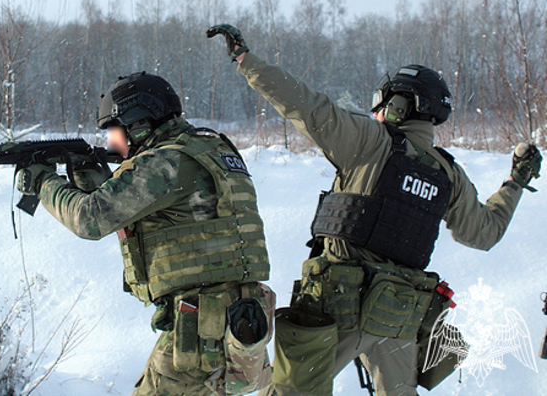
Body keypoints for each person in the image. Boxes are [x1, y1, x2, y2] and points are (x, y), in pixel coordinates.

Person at [206, 24, 542, 396]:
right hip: (398, 314)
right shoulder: (448, 174)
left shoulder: (371, 142)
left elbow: (306, 106)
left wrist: (247, 61)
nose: (378, 109)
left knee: (290, 392)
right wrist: (514, 183)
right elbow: (484, 233)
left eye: (383, 101)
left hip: (339, 304)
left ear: (399, 105)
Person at [17, 72, 276, 396]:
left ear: (138, 124)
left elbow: (90, 219)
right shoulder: (210, 149)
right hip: (239, 325)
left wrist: (43, 182)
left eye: (114, 130)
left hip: (200, 335)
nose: (111, 142)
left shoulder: (166, 161)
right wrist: (90, 173)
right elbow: (153, 210)